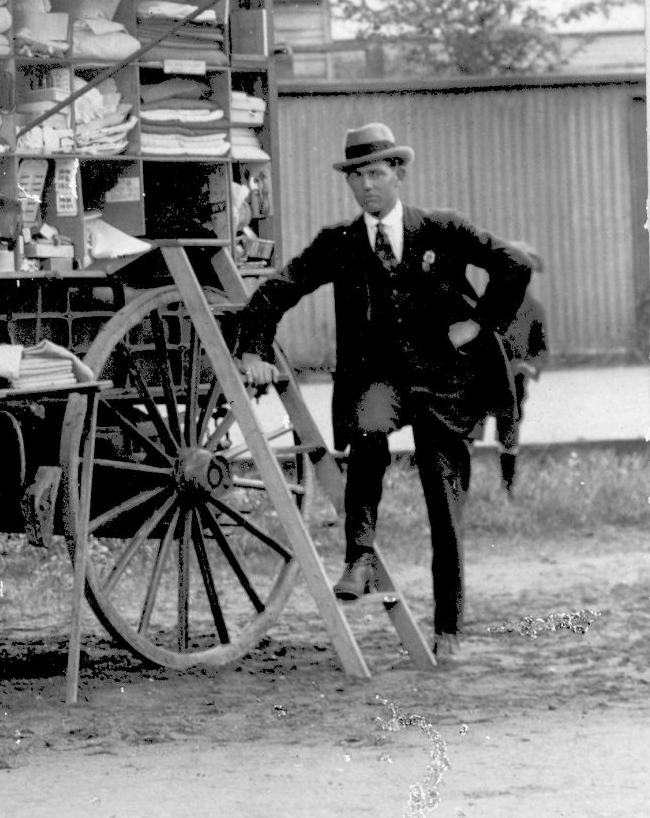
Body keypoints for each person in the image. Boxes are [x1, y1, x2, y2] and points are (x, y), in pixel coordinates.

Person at [234, 123, 531, 662]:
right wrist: (252, 348)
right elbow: (282, 286)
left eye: (376, 173)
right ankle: (360, 556)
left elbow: (514, 266)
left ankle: (449, 629)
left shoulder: (442, 229)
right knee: (369, 426)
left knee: (444, 506)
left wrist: (477, 325)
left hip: (448, 386)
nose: (367, 186)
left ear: (398, 174)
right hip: (383, 382)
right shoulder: (340, 244)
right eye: (357, 177)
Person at [489, 244, 549, 494]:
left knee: (509, 429)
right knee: (468, 428)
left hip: (514, 381)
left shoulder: (534, 310)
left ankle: (507, 486)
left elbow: (541, 350)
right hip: (484, 377)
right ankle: (459, 488)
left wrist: (530, 366)